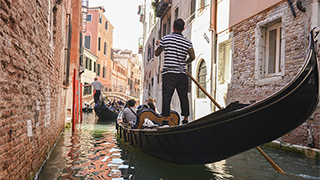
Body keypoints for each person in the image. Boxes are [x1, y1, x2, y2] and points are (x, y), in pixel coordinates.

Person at [155, 18, 195, 124]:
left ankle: (165, 121)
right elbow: (192, 57)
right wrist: (184, 62)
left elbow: (156, 53)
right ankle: (185, 119)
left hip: (169, 73)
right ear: (183, 28)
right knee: (183, 96)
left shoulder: (165, 39)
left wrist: (159, 45)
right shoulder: (188, 42)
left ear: (173, 27)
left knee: (167, 96)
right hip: (182, 73)